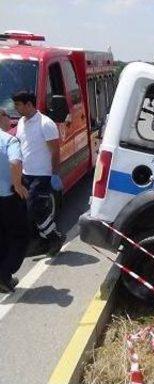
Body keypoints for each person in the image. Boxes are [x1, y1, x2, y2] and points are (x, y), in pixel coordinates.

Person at [12, 91, 65, 257]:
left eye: (18, 105)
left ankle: (53, 237)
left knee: (34, 207)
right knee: (30, 210)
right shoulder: (21, 122)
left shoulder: (45, 124)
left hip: (42, 174)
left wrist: (55, 174)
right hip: (26, 173)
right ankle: (43, 240)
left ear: (29, 104)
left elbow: (55, 152)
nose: (16, 108)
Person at [0, 108, 30, 292]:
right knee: (20, 236)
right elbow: (15, 162)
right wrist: (18, 185)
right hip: (8, 197)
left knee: (2, 236)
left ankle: (4, 277)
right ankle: (4, 274)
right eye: (6, 115)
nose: (10, 119)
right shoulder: (9, 140)